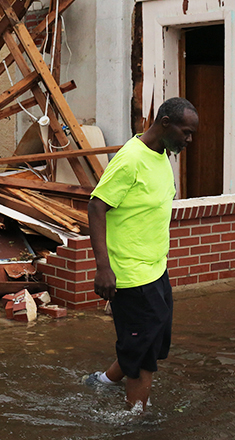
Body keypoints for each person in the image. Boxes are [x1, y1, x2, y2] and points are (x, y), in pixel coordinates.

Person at [85, 96, 198, 411]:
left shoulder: (161, 154)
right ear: (165, 123)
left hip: (156, 270)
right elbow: (96, 205)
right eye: (185, 133)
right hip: (131, 275)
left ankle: (104, 381)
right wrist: (103, 268)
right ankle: (135, 417)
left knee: (154, 338)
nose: (188, 140)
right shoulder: (130, 159)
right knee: (143, 352)